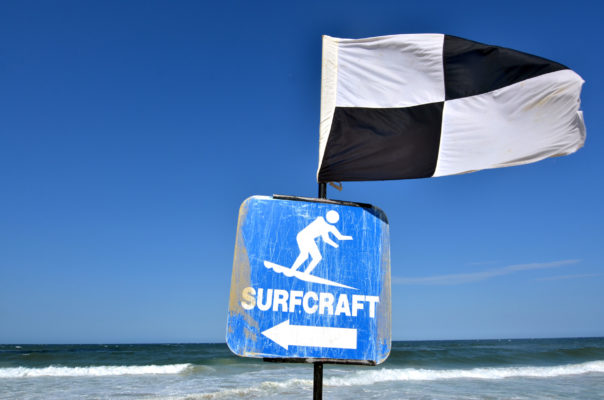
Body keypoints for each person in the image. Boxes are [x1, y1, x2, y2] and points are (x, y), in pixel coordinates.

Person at [286, 210, 352, 276]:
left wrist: (349, 238)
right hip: (304, 236)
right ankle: (293, 271)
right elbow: (326, 239)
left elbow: (339, 237)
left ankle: (303, 272)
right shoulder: (321, 220)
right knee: (308, 255)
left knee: (314, 257)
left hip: (306, 237)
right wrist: (336, 245)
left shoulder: (329, 225)